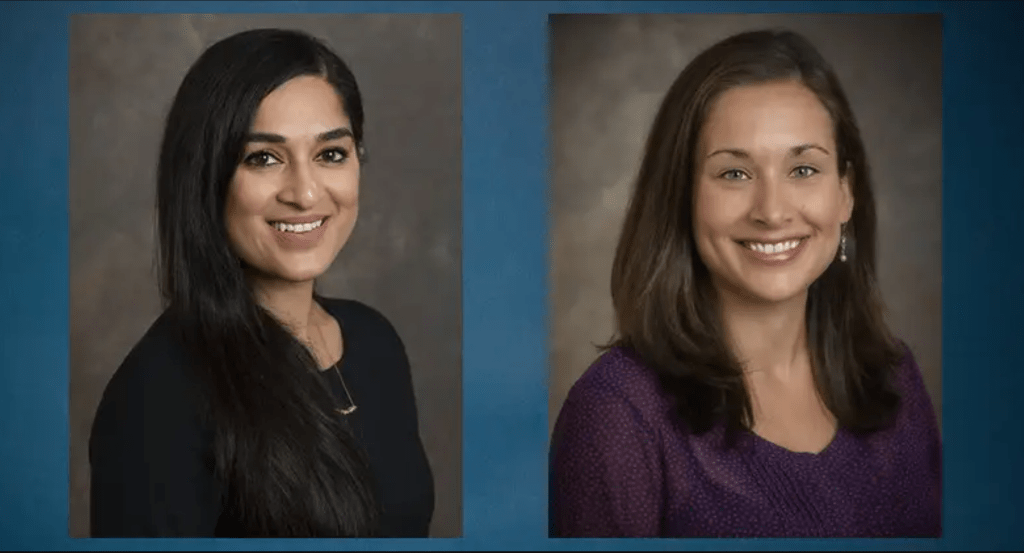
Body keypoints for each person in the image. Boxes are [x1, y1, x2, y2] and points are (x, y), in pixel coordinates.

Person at [549, 29, 941, 538]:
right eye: (734, 174)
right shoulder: (616, 416)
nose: (773, 211)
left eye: (803, 169)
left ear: (845, 194)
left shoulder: (895, 379)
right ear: (681, 198)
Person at [88, 28, 434, 538]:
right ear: (205, 177)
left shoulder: (375, 340)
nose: (305, 192)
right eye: (263, 158)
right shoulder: (158, 396)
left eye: (330, 153)